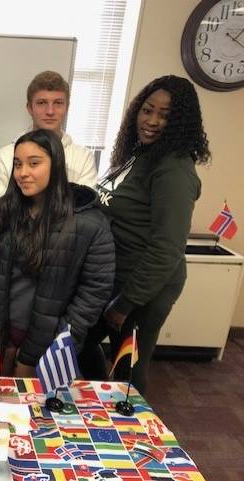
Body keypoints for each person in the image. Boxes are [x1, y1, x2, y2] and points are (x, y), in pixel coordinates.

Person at [79, 75, 210, 395]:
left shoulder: (174, 169)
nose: (151, 121)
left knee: (128, 371)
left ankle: (130, 422)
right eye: (147, 110)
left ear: (179, 122)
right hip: (115, 276)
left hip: (145, 288)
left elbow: (167, 248)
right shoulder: (140, 154)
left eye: (164, 115)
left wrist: (124, 304)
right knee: (80, 346)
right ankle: (97, 406)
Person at [0, 129, 114, 377]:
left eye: (34, 163)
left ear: (56, 165)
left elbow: (94, 291)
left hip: (48, 347)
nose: (22, 172)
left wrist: (58, 341)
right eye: (17, 164)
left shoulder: (89, 223)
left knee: (35, 403)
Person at [0, 71, 97, 206]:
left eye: (58, 103)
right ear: (29, 108)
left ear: (67, 107)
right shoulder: (7, 155)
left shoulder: (83, 158)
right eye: (42, 103)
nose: (50, 111)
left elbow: (85, 208)